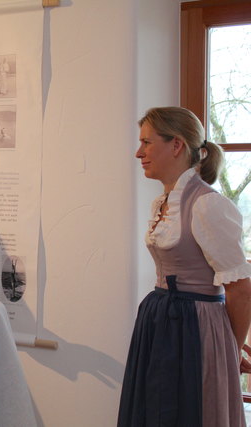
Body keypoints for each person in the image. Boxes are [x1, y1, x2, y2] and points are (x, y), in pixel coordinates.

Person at [118, 107, 251, 426]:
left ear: (176, 145)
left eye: (147, 143)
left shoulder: (208, 205)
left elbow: (241, 290)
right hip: (159, 321)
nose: (139, 153)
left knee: (191, 410)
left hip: (195, 326)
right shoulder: (162, 203)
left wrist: (228, 350)